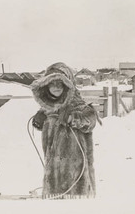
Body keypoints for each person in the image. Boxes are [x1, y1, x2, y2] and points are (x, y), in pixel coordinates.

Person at [31, 62, 98, 199]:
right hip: (54, 175)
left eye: (60, 83)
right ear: (46, 85)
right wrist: (40, 122)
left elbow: (90, 121)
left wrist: (73, 118)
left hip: (77, 177)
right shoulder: (48, 108)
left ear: (67, 85)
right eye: (52, 83)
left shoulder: (79, 106)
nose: (56, 87)